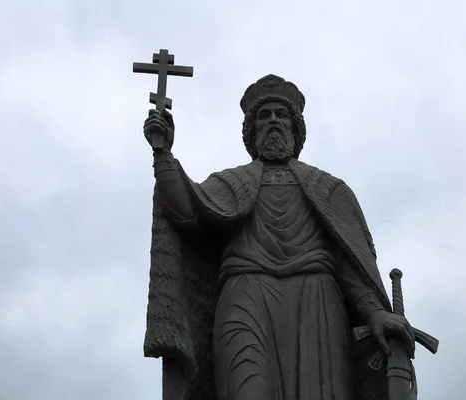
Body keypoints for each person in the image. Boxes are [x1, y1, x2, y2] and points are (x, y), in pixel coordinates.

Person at [142, 74, 415, 400]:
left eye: (281, 115)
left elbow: (348, 260)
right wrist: (163, 155)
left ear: (295, 129)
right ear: (252, 131)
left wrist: (374, 311)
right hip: (246, 297)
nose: (273, 120)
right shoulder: (229, 182)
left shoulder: (329, 189)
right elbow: (185, 211)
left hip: (316, 304)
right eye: (263, 115)